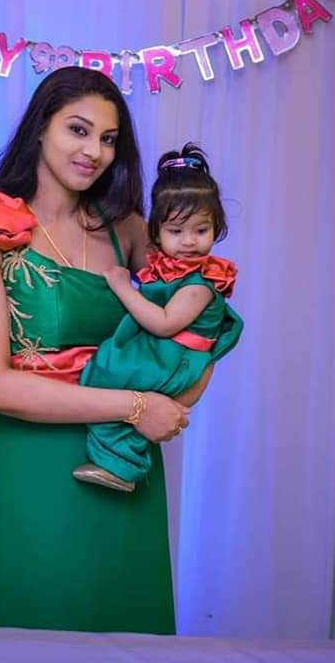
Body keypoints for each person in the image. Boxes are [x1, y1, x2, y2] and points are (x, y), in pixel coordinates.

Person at [0, 67, 214, 634]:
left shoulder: (129, 230)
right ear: (41, 127)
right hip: (32, 465)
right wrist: (136, 406)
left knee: (127, 626)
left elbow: (200, 319)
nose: (94, 151)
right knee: (36, 621)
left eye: (108, 139)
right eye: (79, 130)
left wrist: (182, 392)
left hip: (123, 466)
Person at [72, 143, 244, 493]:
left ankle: (122, 466)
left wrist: (124, 288)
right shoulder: (173, 269)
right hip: (164, 353)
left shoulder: (201, 283)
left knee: (107, 376)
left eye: (201, 230)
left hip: (175, 359)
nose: (189, 242)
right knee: (103, 370)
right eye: (176, 231)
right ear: (157, 231)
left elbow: (165, 323)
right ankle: (116, 458)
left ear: (217, 227)